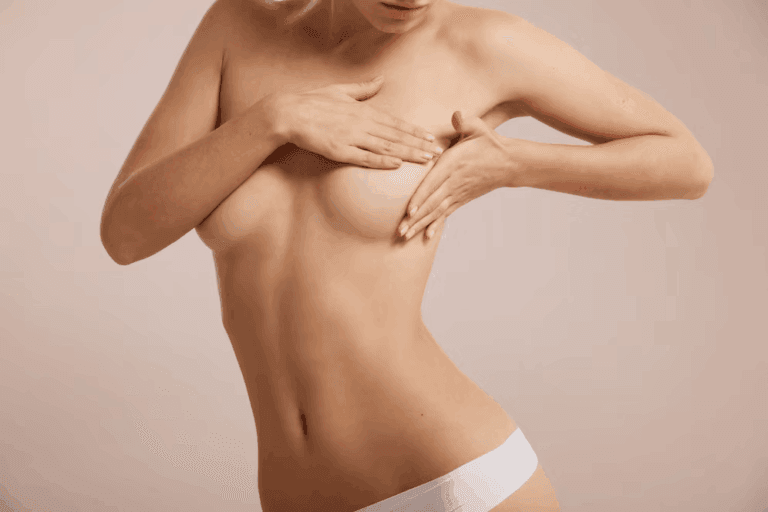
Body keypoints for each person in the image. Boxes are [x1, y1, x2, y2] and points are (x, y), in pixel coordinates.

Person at [100, 0, 712, 510]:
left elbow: (685, 162)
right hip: (295, 493)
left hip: (451, 482)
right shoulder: (238, 25)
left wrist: (518, 164)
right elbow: (125, 235)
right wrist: (273, 120)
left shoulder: (483, 45)